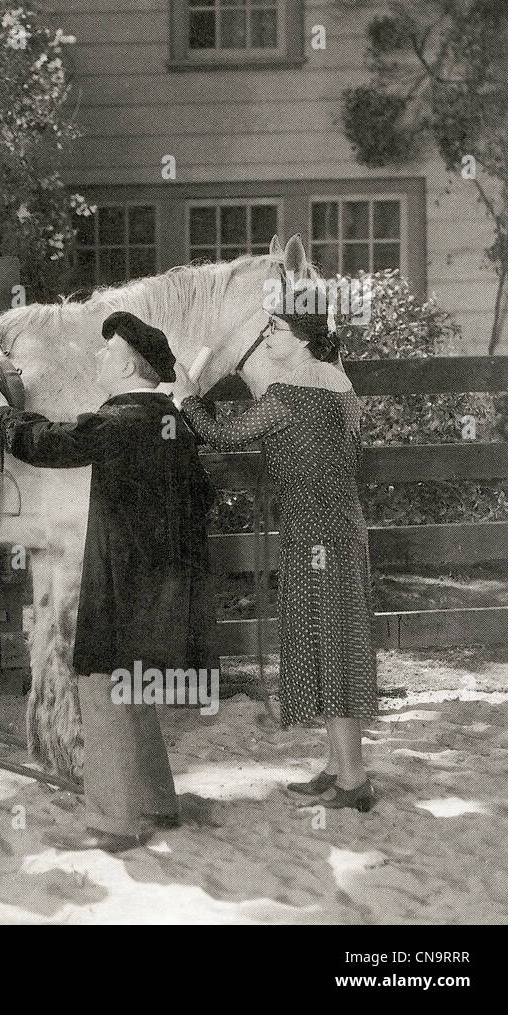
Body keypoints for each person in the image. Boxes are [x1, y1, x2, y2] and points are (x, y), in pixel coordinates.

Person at [0, 312, 217, 852]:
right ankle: (156, 803)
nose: (96, 359)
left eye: (106, 354)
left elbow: (48, 444)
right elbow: (202, 498)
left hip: (123, 580)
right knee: (135, 686)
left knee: (102, 683)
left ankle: (115, 822)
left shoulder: (123, 420)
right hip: (166, 583)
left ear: (132, 367)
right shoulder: (173, 421)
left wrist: (1, 413)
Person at [172, 305, 378, 812]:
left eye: (277, 332)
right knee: (334, 641)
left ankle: (353, 780)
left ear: (304, 340)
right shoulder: (341, 385)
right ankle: (337, 767)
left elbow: (222, 435)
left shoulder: (287, 395)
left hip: (315, 533)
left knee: (329, 645)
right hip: (341, 528)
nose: (268, 341)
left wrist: (185, 399)